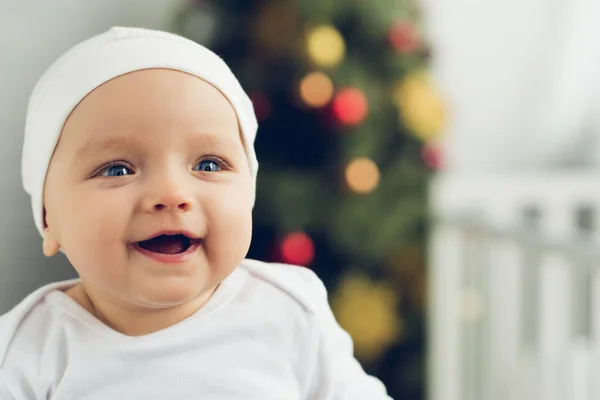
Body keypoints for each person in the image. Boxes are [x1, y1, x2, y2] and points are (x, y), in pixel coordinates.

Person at [0, 27, 392, 399]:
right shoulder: (24, 354)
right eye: (117, 169)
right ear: (49, 219)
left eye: (208, 164)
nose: (172, 194)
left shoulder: (287, 311)